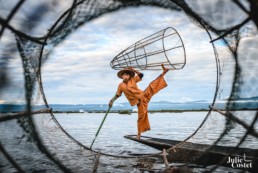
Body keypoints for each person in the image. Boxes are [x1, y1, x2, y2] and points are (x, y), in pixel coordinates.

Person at [109, 64, 169, 139]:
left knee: (152, 85)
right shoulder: (120, 85)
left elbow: (141, 75)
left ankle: (164, 72)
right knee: (141, 116)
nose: (126, 76)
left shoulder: (133, 80)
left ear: (129, 76)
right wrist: (112, 101)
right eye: (124, 75)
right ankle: (139, 134)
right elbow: (118, 94)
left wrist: (133, 70)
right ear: (122, 76)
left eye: (127, 75)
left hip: (143, 95)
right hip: (139, 101)